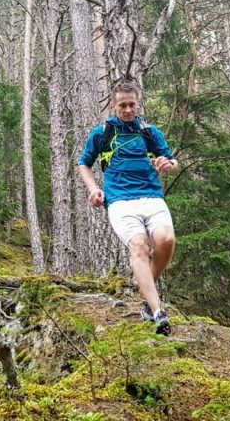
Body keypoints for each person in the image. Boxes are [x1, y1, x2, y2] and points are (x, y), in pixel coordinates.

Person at [78, 81, 179, 335]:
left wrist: (168, 164)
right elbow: (84, 164)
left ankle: (145, 288)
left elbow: (172, 160)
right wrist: (94, 189)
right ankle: (157, 312)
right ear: (114, 106)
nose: (127, 110)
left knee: (166, 241)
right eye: (122, 105)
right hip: (120, 200)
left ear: (138, 104)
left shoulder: (149, 132)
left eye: (132, 104)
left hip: (152, 196)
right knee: (139, 245)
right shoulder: (102, 133)